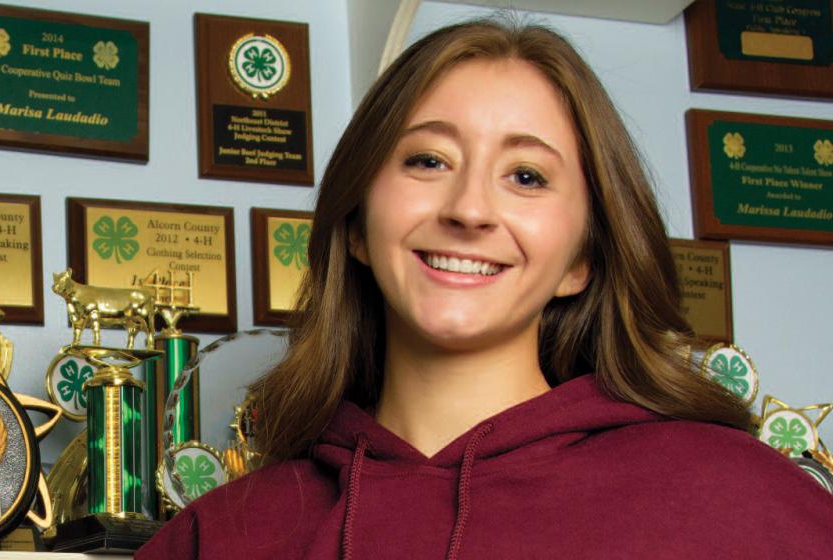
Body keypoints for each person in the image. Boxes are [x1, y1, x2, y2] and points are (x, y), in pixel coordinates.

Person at [137, 19, 833, 559]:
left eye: (527, 176)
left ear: (579, 261)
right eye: (428, 159)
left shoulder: (736, 500)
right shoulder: (225, 535)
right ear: (356, 226)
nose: (469, 209)